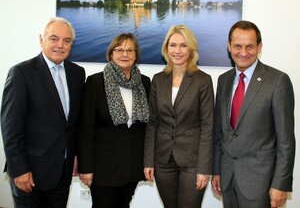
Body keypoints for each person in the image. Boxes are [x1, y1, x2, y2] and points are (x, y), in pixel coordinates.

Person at [1, 17, 86, 207]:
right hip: (30, 173)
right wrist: (19, 169)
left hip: (62, 173)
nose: (60, 45)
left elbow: (73, 123)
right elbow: (10, 129)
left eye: (67, 41)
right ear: (42, 40)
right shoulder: (21, 73)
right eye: (54, 38)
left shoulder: (77, 73)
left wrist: (74, 156)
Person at [212, 20, 295, 208]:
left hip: (260, 182)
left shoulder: (278, 81)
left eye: (250, 46)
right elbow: (219, 133)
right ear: (229, 46)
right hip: (227, 178)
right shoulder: (223, 81)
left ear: (259, 47)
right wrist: (216, 170)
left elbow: (286, 140)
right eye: (237, 46)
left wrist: (280, 184)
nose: (243, 52)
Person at [144, 25, 214, 208]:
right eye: (173, 45)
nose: (177, 51)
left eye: (183, 45)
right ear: (166, 48)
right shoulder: (158, 79)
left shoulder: (202, 80)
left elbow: (208, 126)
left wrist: (204, 168)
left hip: (192, 161)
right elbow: (152, 123)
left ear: (191, 49)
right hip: (163, 159)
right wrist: (148, 161)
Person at [78, 33, 150, 208]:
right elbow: (85, 127)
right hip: (103, 168)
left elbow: (146, 128)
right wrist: (85, 167)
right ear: (111, 53)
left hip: (132, 165)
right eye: (119, 50)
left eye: (129, 50)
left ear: (136, 55)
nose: (124, 54)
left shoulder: (145, 83)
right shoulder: (95, 82)